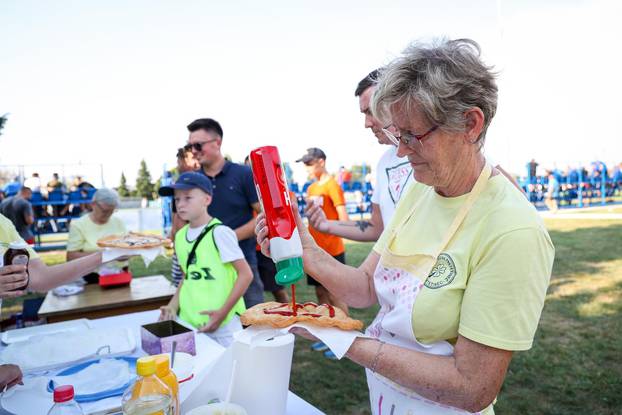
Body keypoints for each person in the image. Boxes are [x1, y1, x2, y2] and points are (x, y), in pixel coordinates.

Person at [257, 39, 554, 414]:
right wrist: (306, 250)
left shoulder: (512, 229)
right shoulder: (420, 188)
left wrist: (346, 341)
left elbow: (472, 386)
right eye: (397, 134)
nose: (400, 150)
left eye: (412, 135)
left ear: (470, 124)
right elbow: (367, 288)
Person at [158, 172, 252, 347]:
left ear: (207, 200)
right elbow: (187, 276)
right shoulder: (180, 237)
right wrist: (172, 305)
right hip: (190, 322)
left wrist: (221, 314)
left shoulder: (220, 233)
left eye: (188, 197)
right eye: (177, 199)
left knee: (230, 372)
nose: (180, 204)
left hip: (224, 326)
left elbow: (246, 275)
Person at [185, 118, 264, 307]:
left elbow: (264, 215)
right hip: (206, 266)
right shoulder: (192, 181)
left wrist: (227, 237)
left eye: (198, 145)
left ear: (217, 142)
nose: (193, 151)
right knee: (214, 324)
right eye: (190, 146)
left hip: (243, 262)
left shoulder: (243, 174)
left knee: (254, 325)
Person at [297, 147, 349, 359]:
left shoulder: (332, 185)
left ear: (321, 162)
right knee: (320, 294)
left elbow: (343, 219)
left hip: (332, 250)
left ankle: (346, 338)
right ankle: (327, 336)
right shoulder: (310, 189)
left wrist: (329, 227)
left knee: (336, 295)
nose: (306, 168)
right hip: (314, 252)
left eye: (309, 164)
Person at [243, 155, 289, 303]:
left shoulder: (270, 192)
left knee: (278, 289)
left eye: (254, 168)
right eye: (248, 168)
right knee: (256, 290)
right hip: (250, 248)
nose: (251, 172)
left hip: (267, 247)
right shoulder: (244, 189)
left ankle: (290, 316)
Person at [66, 188, 127, 283]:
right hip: (91, 277)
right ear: (93, 204)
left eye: (112, 211)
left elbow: (126, 248)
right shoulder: (79, 225)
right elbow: (71, 257)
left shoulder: (118, 222)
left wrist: (126, 254)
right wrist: (106, 255)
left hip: (120, 274)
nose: (108, 214)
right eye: (104, 210)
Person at [169, 147, 200, 287]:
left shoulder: (201, 185)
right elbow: (176, 220)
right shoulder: (179, 184)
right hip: (181, 248)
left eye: (182, 159)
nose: (179, 164)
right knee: (181, 287)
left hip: (193, 251)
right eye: (179, 160)